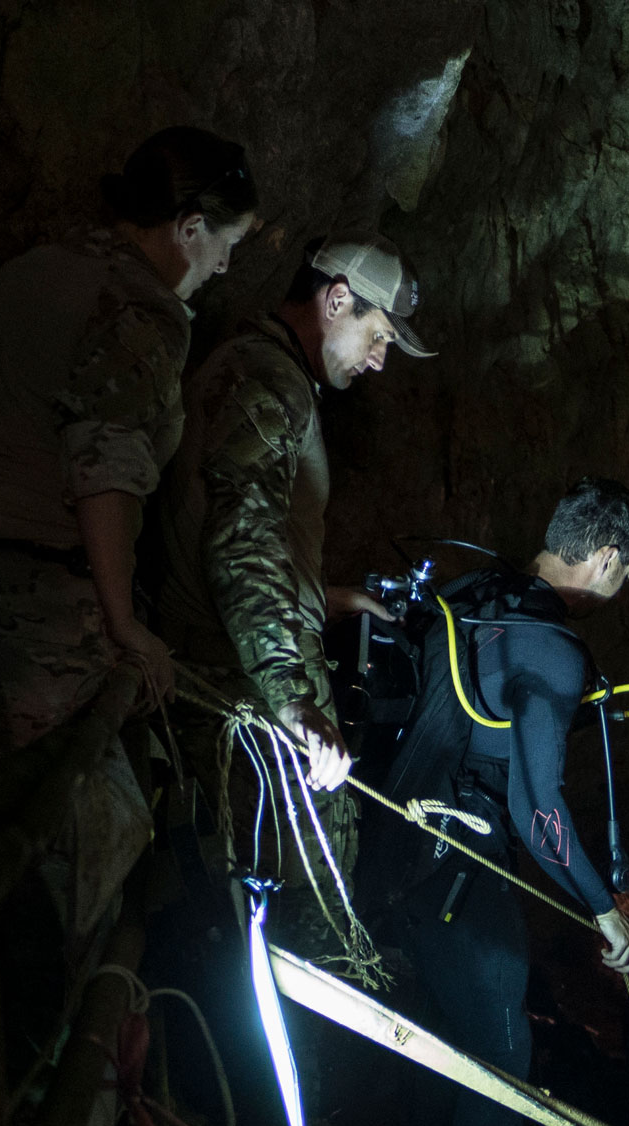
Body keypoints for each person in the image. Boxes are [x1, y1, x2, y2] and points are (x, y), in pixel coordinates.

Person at [0, 127, 258, 824]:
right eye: (228, 244)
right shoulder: (138, 313)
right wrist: (126, 627)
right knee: (82, 833)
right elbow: (108, 476)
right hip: (22, 612)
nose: (223, 267)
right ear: (190, 228)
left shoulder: (29, 268)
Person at [362, 480, 629, 1126]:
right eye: (628, 576)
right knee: (501, 1049)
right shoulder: (551, 647)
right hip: (461, 867)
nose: (622, 591)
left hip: (386, 849)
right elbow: (537, 809)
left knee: (439, 1037)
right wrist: (603, 911)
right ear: (610, 558)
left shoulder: (467, 594)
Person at [155, 233, 432, 939]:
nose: (381, 357)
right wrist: (293, 702)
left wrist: (331, 595)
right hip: (234, 688)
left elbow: (246, 528)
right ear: (337, 299)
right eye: (378, 335)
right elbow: (239, 541)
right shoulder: (265, 380)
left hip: (237, 669)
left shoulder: (269, 376)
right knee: (285, 901)